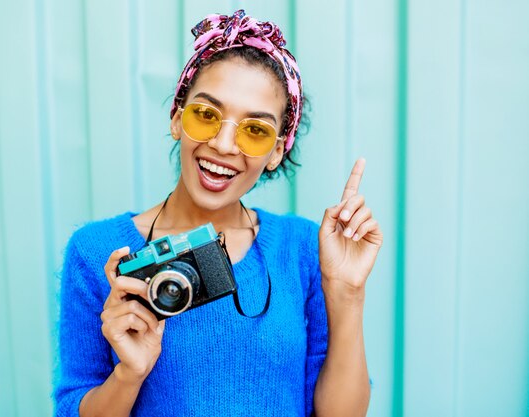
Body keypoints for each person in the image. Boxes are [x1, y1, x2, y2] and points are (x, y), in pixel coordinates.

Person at [54, 9, 382, 417]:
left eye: (255, 130)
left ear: (278, 151)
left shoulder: (302, 249)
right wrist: (129, 375)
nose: (224, 145)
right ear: (178, 118)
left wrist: (347, 294)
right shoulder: (97, 252)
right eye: (206, 115)